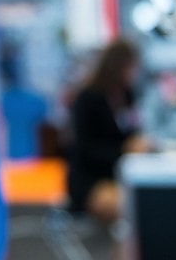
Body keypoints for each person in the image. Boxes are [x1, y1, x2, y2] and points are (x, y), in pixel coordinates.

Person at [66, 39, 147, 224]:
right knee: (130, 207)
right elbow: (84, 148)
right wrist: (123, 149)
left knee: (143, 201)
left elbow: (132, 130)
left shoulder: (127, 95)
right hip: (89, 178)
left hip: (120, 174)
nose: (135, 73)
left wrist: (137, 144)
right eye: (132, 67)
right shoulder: (88, 98)